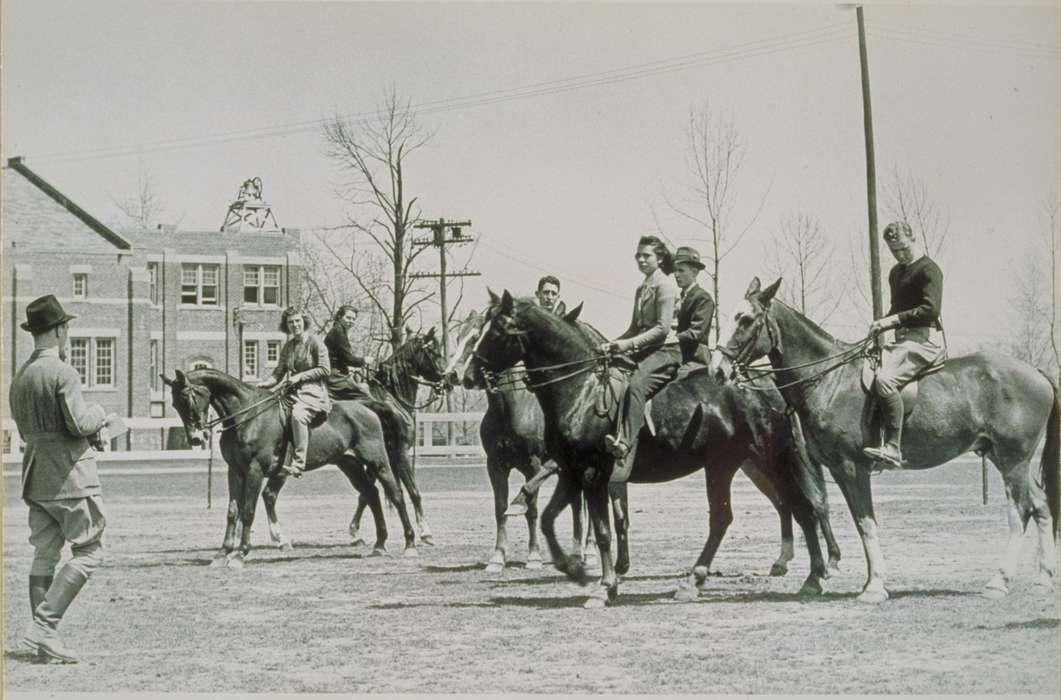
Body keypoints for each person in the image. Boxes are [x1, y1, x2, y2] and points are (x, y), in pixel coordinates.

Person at [9, 294, 110, 663]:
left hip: (35, 477)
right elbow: (79, 422)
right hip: (70, 477)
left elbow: (24, 432)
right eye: (66, 328)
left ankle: (43, 645)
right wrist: (100, 414)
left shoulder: (19, 377)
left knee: (45, 555)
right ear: (60, 330)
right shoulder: (64, 373)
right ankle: (44, 627)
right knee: (90, 550)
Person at [863, 221, 944, 468]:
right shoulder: (896, 273)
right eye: (894, 250)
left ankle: (893, 447)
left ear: (913, 239)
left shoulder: (929, 270)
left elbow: (931, 309)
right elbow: (896, 309)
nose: (899, 254)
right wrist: (882, 324)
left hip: (924, 340)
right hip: (901, 340)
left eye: (903, 249)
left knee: (885, 380)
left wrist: (893, 320)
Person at [600, 235, 681, 483]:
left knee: (636, 386)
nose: (641, 259)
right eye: (638, 255)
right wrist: (611, 344)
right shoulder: (642, 287)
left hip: (666, 351)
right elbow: (634, 328)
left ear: (660, 258)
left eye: (646, 255)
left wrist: (627, 344)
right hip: (644, 349)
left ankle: (624, 443)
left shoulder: (665, 286)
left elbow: (662, 329)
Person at [259, 307, 332, 478]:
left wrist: (299, 376)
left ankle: (299, 463)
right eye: (290, 322)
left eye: (297, 321)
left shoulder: (315, 342)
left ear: (303, 322)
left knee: (298, 415)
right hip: (291, 391)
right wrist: (265, 384)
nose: (294, 325)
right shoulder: (288, 346)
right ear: (287, 326)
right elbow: (278, 373)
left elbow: (325, 369)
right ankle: (279, 458)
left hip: (313, 391)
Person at [671, 246, 715, 366]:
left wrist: (670, 338)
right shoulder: (679, 298)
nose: (676, 274)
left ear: (694, 272)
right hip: (676, 353)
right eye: (675, 270)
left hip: (695, 357)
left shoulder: (703, 298)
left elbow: (696, 333)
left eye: (681, 270)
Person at [323, 305, 373, 401]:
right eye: (348, 318)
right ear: (339, 317)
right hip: (334, 376)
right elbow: (348, 359)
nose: (351, 321)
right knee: (365, 395)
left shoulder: (339, 330)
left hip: (335, 372)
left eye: (353, 319)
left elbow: (341, 357)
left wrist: (350, 368)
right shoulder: (338, 331)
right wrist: (364, 360)